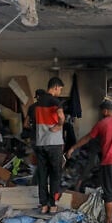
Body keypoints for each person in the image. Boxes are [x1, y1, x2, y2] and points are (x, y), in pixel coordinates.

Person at [66, 100, 112, 223]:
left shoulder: (101, 123)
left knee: (108, 195)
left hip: (108, 162)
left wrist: (73, 148)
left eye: (102, 110)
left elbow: (87, 138)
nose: (101, 112)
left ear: (106, 110)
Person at [33, 77, 65, 214]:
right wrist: (59, 125)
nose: (60, 92)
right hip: (54, 143)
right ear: (56, 87)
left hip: (40, 143)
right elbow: (61, 116)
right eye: (60, 89)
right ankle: (52, 205)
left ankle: (43, 205)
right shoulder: (55, 101)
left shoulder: (38, 103)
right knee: (55, 174)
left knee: (42, 175)